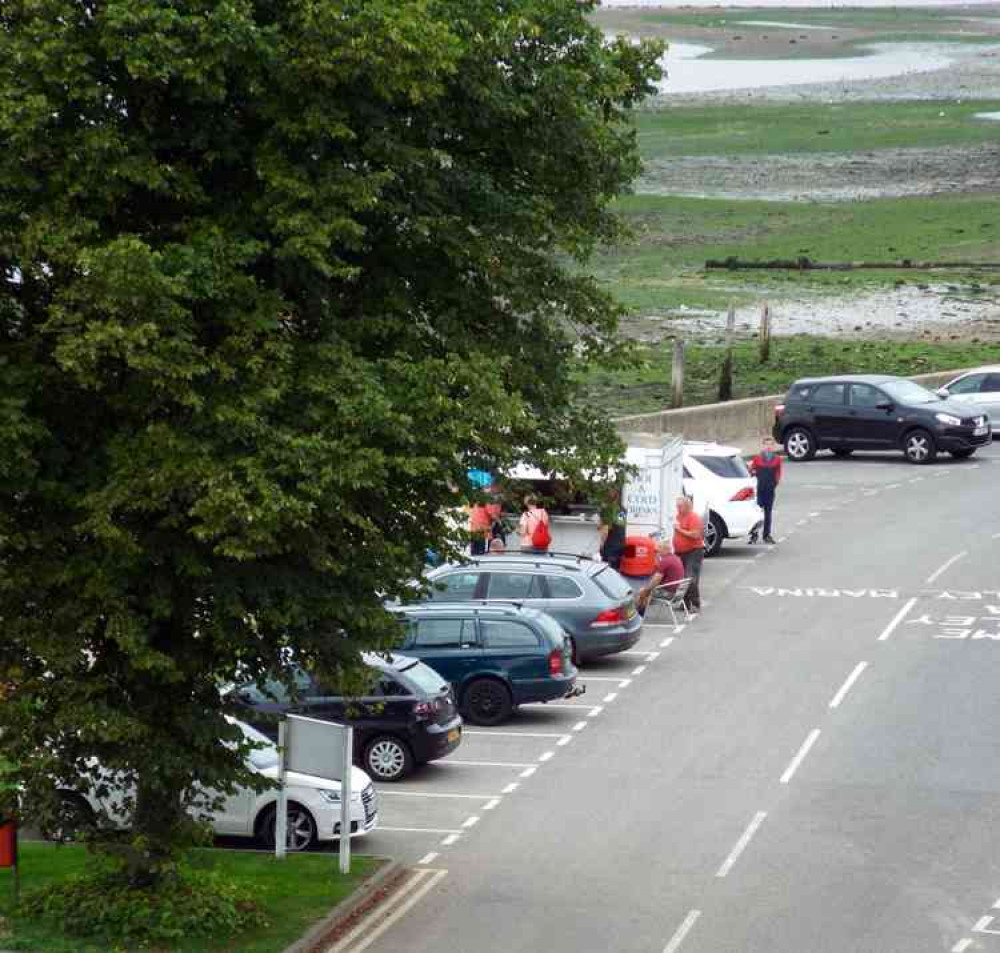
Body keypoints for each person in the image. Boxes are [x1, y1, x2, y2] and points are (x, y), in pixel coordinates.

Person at [636, 538, 684, 615]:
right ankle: (640, 613)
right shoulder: (676, 558)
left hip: (668, 593)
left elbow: (656, 580)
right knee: (646, 592)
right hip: (678, 592)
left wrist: (646, 590)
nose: (657, 551)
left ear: (663, 549)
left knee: (642, 592)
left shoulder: (665, 561)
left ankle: (639, 615)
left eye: (658, 549)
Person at [749, 436, 783, 545]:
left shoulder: (777, 459)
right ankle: (754, 535)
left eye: (770, 445)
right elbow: (752, 470)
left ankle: (766, 535)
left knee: (768, 513)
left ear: (773, 446)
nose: (768, 447)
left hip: (770, 489)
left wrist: (775, 483)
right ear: (763, 446)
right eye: (766, 444)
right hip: (759, 489)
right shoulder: (757, 458)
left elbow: (778, 473)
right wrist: (753, 473)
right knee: (756, 513)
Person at [673, 495, 704, 613]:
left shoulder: (693, 517)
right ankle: (685, 603)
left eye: (680, 506)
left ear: (687, 506)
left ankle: (695, 603)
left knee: (690, 577)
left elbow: (696, 535)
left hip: (693, 551)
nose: (678, 509)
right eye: (677, 506)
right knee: (681, 578)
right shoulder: (678, 516)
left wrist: (679, 530)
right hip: (680, 552)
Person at [597, 490, 627, 571]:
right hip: (620, 545)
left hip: (610, 547)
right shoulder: (622, 509)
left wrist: (601, 545)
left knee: (605, 572)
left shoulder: (607, 510)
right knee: (615, 572)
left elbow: (605, 530)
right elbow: (620, 525)